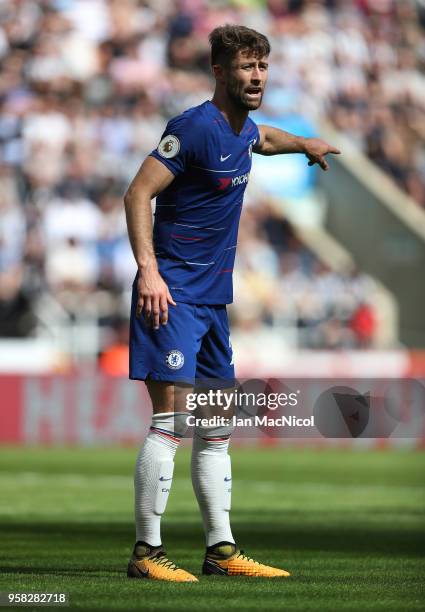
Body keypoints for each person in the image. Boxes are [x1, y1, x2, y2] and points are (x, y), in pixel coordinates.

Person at [124, 24, 340, 582]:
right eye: (246, 67)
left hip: (214, 302)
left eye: (262, 66)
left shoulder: (241, 130)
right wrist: (149, 272)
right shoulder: (192, 127)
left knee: (217, 425)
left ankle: (221, 552)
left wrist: (305, 143)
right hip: (170, 296)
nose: (256, 76)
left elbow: (263, 139)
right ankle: (147, 554)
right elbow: (138, 192)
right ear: (220, 72)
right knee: (171, 422)